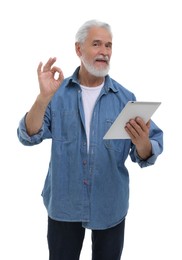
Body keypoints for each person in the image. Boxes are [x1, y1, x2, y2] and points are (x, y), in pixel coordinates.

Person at [17, 19, 163, 260]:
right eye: (96, 44)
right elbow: (29, 135)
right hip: (64, 203)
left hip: (110, 204)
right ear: (78, 49)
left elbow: (147, 152)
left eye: (108, 46)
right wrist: (43, 99)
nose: (104, 52)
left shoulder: (125, 98)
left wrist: (142, 143)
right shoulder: (58, 94)